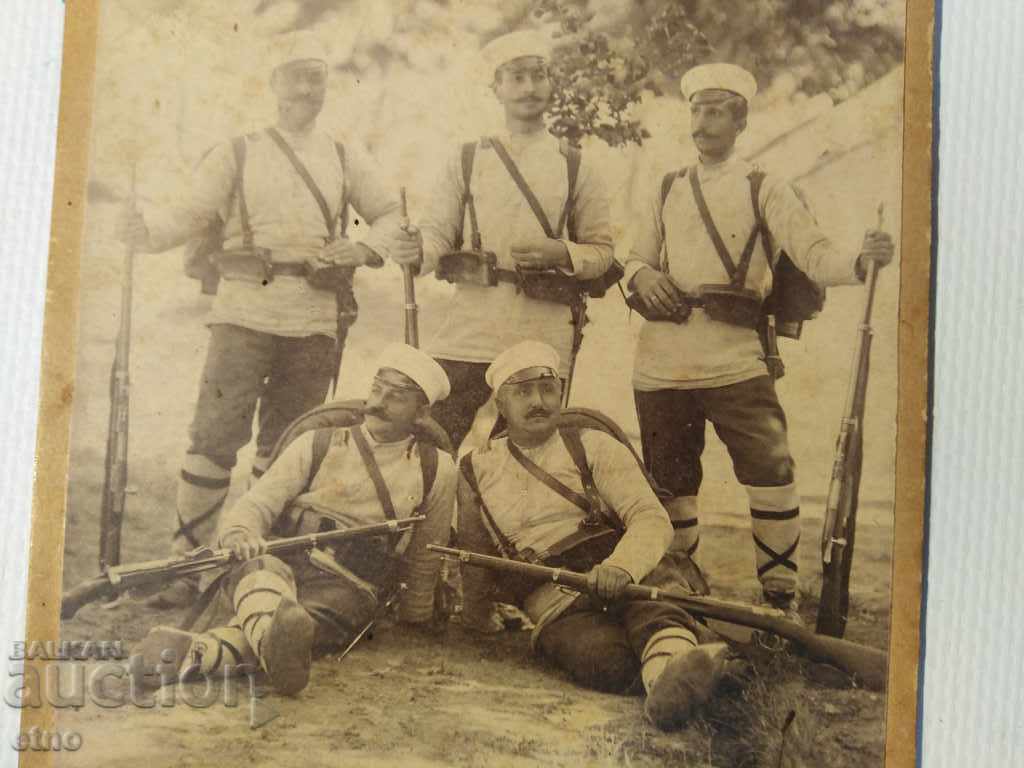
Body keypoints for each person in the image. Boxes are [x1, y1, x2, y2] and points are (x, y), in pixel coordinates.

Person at [115, 33, 422, 605]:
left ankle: (248, 564)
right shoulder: (238, 151)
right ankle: (186, 564)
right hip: (243, 309)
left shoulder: (342, 155)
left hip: (314, 317)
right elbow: (191, 212)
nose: (307, 89)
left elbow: (389, 216)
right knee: (213, 437)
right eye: (296, 77)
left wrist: (362, 250)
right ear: (274, 84)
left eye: (317, 78)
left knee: (286, 443)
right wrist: (148, 232)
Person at [623, 63, 895, 615]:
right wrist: (643, 276)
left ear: (741, 121)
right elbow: (634, 259)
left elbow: (814, 254)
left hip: (735, 359)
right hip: (662, 360)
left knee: (770, 471)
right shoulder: (667, 186)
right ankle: (682, 585)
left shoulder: (766, 188)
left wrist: (861, 261)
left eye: (718, 110)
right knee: (671, 479)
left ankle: (779, 594)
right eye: (697, 110)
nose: (705, 121)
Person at [136, 344, 456, 695]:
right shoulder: (317, 442)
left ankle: (200, 652)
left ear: (422, 412)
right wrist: (242, 533)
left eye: (396, 397)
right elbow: (257, 503)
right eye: (377, 389)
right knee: (264, 581)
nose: (379, 402)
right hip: (281, 559)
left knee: (303, 620)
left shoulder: (436, 467)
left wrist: (416, 616)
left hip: (348, 584)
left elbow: (428, 551)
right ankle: (264, 653)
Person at [457, 340, 739, 730]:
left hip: (627, 571)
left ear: (561, 392)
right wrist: (474, 619)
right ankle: (696, 665)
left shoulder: (592, 444)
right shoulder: (476, 469)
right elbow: (473, 555)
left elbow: (650, 517)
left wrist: (621, 567)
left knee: (657, 615)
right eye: (522, 392)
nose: (538, 401)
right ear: (500, 405)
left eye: (547, 389)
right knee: (599, 657)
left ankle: (667, 686)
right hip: (555, 596)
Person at [392, 30, 614, 449]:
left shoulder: (576, 166)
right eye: (516, 77)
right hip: (472, 322)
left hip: (542, 326)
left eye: (538, 75)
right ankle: (434, 514)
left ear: (551, 83)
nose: (529, 88)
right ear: (497, 88)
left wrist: (562, 252)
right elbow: (438, 231)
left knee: (525, 446)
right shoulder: (468, 159)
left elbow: (602, 251)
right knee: (433, 436)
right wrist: (417, 251)